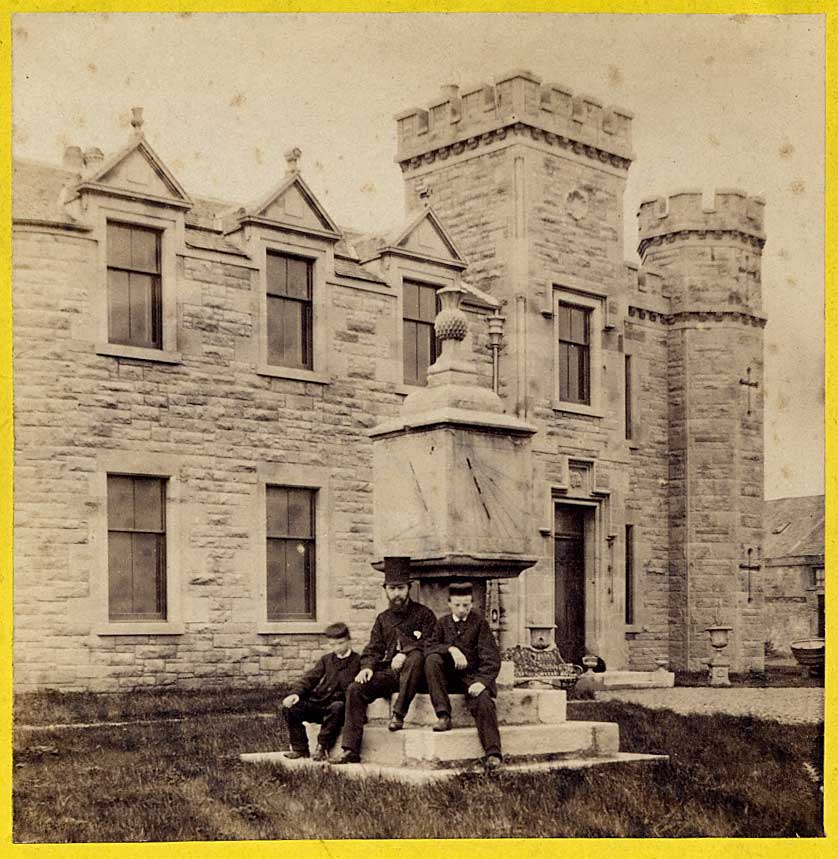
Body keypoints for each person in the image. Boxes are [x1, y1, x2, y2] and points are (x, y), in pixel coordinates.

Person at [331, 557, 437, 764]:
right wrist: (368, 667)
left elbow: (431, 643)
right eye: (392, 588)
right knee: (355, 688)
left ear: (409, 588)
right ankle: (350, 749)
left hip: (417, 675)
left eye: (400, 588)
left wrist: (405, 652)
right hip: (390, 675)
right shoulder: (383, 619)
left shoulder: (425, 615)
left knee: (415, 657)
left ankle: (398, 714)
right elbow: (373, 648)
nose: (396, 594)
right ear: (385, 590)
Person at [424, 581, 503, 771]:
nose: (461, 610)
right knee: (432, 660)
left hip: (472, 678)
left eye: (466, 605)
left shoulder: (480, 624)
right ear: (449, 603)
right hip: (448, 679)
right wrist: (451, 649)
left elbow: (492, 658)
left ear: (472, 604)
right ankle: (443, 715)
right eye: (457, 605)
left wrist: (482, 682)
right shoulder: (442, 623)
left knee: (484, 702)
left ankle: (493, 753)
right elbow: (429, 647)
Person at [280, 622, 361, 762]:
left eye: (340, 643)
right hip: (321, 705)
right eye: (332, 645)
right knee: (291, 708)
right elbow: (310, 678)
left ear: (349, 640)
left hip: (341, 710)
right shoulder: (326, 660)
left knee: (337, 707)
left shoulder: (358, 661)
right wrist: (295, 694)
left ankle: (322, 747)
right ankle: (300, 748)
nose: (337, 648)